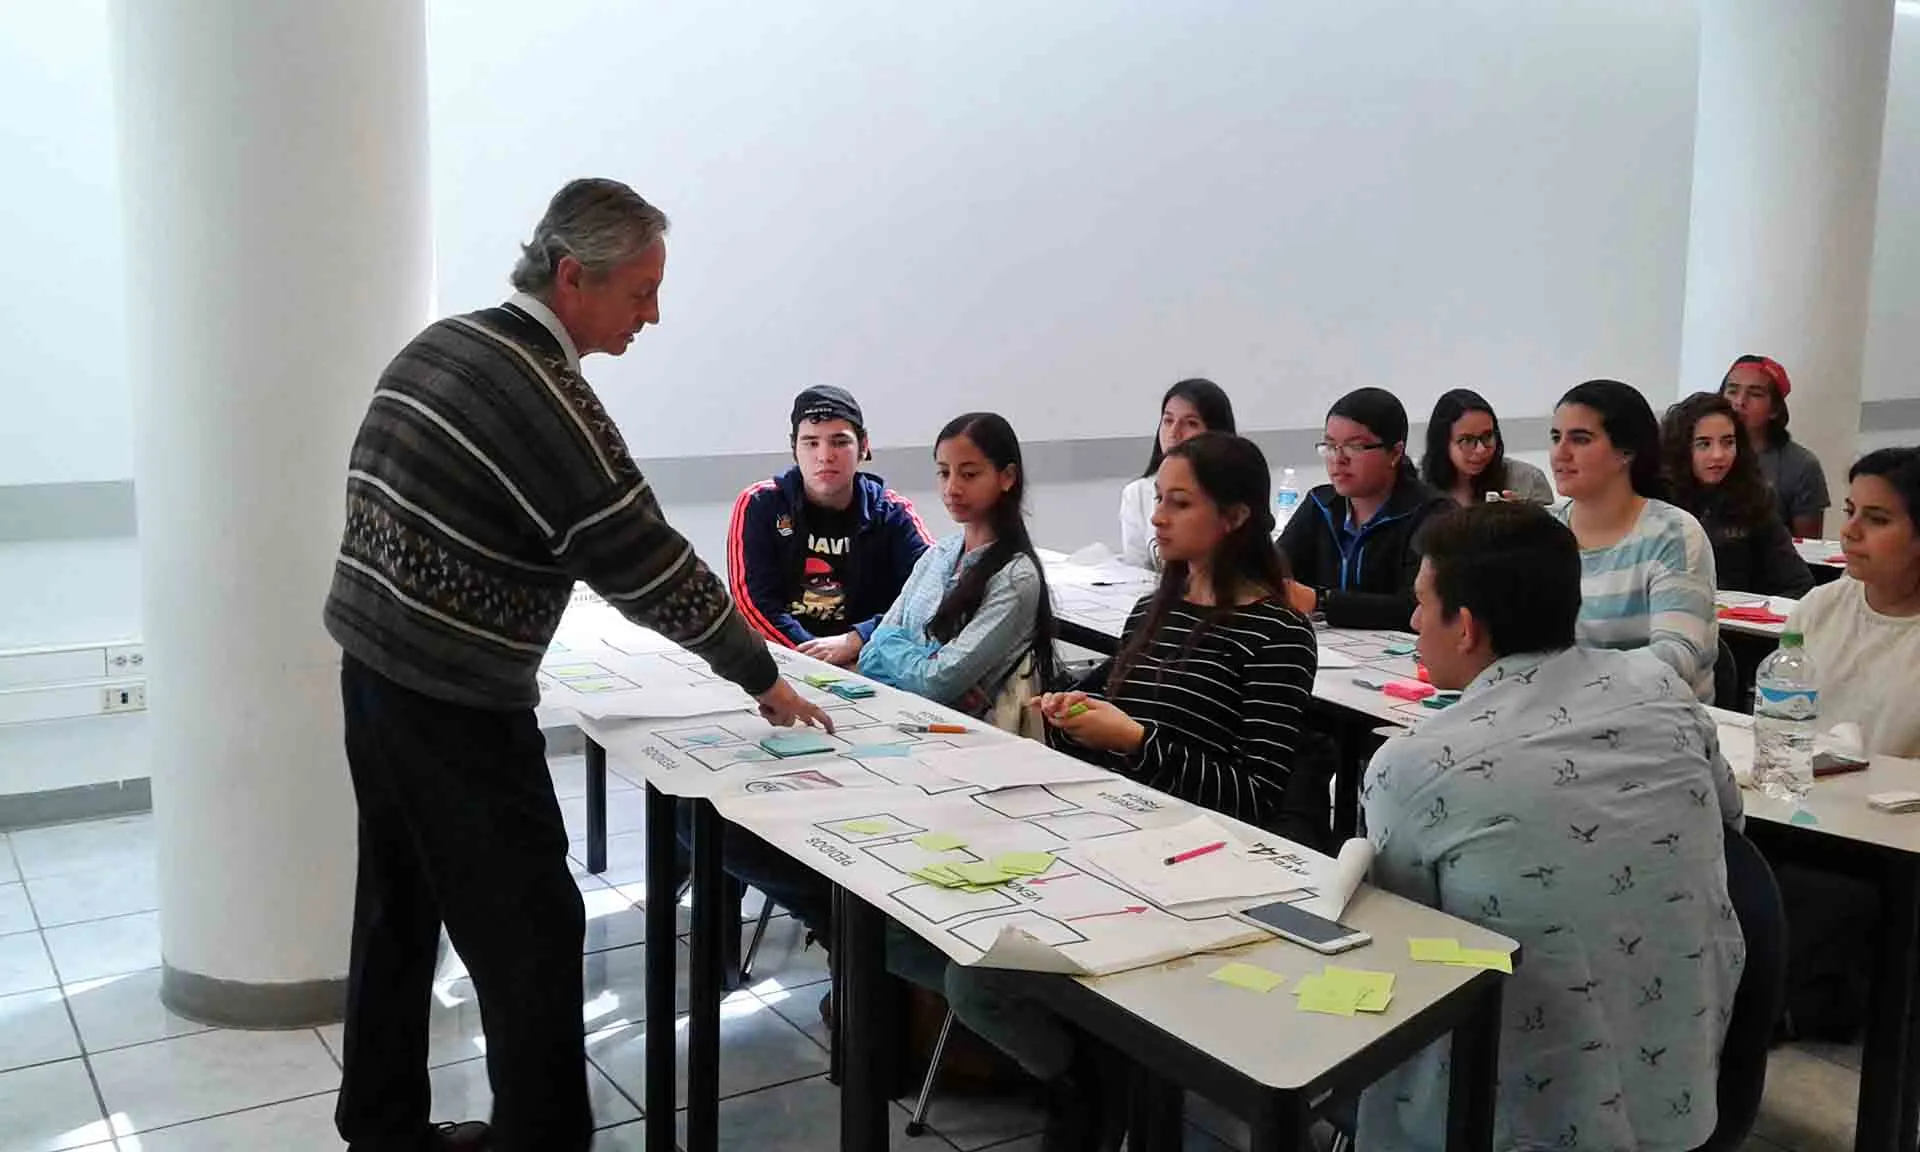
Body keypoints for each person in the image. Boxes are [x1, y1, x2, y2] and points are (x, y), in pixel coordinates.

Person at [322, 179, 830, 1152]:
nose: (653, 314)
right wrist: (759, 675)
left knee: (398, 902)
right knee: (536, 935)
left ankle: (378, 1125)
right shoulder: (545, 397)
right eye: (641, 290)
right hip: (451, 705)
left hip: (372, 669)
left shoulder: (444, 345)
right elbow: (648, 563)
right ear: (572, 277)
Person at [900, 432, 1319, 1152]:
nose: (1158, 517)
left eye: (1180, 503)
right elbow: (1109, 720)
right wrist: (1064, 715)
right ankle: (1092, 1068)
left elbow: (1251, 800)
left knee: (977, 978)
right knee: (904, 924)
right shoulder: (1153, 611)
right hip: (1103, 837)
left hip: (1190, 866)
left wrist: (1133, 742)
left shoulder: (1275, 635)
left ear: (1237, 517)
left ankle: (1091, 1079)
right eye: (1159, 498)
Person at [1359, 501, 1744, 1152]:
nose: (1414, 620)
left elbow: (1402, 949)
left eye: (1424, 603)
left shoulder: (1416, 765)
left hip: (1518, 1112)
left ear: (1467, 628)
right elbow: (1733, 826)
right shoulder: (1661, 689)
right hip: (1683, 1078)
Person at [858, 412, 1056, 714]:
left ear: (1007, 477)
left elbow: (936, 683)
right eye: (943, 473)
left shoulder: (1016, 576)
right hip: (907, 717)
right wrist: (918, 661)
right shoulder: (940, 554)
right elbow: (869, 657)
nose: (952, 488)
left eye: (969, 474)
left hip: (968, 740)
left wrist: (890, 643)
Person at [727, 385, 932, 665]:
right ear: (794, 449)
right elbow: (753, 604)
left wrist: (859, 639)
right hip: (784, 661)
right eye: (811, 443)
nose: (824, 456)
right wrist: (815, 659)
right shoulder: (759, 503)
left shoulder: (893, 513)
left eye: (839, 442)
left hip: (870, 659)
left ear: (864, 446)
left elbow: (932, 592)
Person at [1549, 379, 1720, 702]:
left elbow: (1677, 659)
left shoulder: (1674, 534)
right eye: (1556, 438)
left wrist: (1570, 679)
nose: (1561, 453)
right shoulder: (1543, 531)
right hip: (1563, 716)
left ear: (1625, 453)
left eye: (1580, 439)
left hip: (1658, 724)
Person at [1277, 388, 1452, 629]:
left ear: (1395, 453)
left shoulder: (1432, 514)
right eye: (1330, 446)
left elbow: (1416, 607)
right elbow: (1275, 568)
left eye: (1355, 447)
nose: (1338, 459)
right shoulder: (1320, 503)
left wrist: (1321, 602)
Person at [1786, 447, 1920, 758]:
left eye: (1877, 520)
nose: (1849, 530)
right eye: (1850, 512)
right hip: (1807, 794)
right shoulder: (1818, 609)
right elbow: (1781, 731)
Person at [1661, 392, 1814, 598]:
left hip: (1735, 625)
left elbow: (1798, 583)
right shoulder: (1657, 498)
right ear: (1681, 448)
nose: (1718, 455)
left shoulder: (1753, 497)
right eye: (1704, 444)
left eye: (1728, 442)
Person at [1118, 378, 1236, 568]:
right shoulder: (1137, 493)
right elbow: (1136, 572)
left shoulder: (1233, 491)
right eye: (1168, 420)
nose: (1174, 432)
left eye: (1190, 423)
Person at [1722, 355, 1830, 538]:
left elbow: (1808, 551)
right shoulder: (1699, 453)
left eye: (1755, 394)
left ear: (1775, 409)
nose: (1739, 402)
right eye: (1732, 391)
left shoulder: (1801, 465)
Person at [1420, 388, 1555, 506]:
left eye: (1487, 436)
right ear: (1443, 443)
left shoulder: (1528, 481)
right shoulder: (1419, 484)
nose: (1481, 449)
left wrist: (1525, 518)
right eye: (1467, 440)